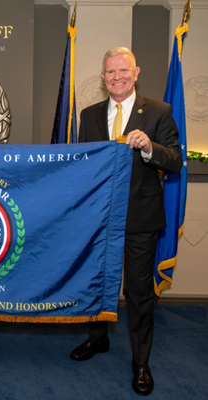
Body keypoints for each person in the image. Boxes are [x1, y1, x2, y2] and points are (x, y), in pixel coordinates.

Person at [70, 47, 182, 396]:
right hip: (98, 218)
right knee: (97, 284)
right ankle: (97, 340)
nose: (116, 77)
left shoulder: (160, 111)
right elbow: (81, 165)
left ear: (136, 72)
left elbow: (175, 160)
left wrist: (149, 147)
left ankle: (141, 362)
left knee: (138, 292)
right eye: (109, 72)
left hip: (140, 218)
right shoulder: (88, 116)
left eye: (122, 70)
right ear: (103, 78)